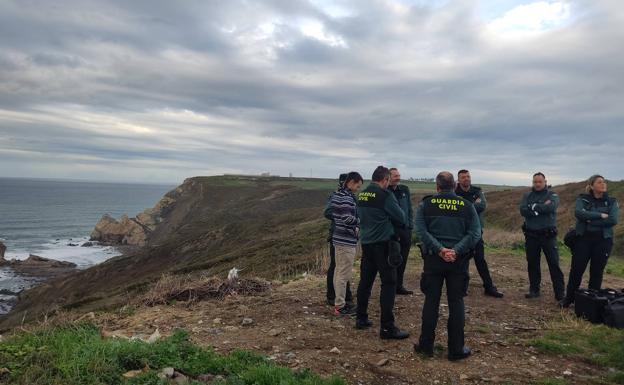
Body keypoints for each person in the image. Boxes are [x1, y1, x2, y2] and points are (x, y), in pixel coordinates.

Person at [414, 171, 481, 361]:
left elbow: (420, 230)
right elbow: (475, 234)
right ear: (454, 186)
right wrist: (456, 250)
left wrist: (439, 250)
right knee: (456, 303)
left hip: (433, 260)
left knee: (431, 302)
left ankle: (426, 346)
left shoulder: (426, 204)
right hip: (458, 262)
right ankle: (456, 350)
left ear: (437, 187)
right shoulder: (467, 206)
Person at [355, 165, 410, 339]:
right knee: (389, 283)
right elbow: (401, 217)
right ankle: (387, 327)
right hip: (384, 245)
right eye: (388, 180)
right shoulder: (385, 195)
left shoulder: (362, 194)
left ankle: (361, 318)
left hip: (367, 244)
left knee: (365, 282)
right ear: (385, 180)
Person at [560, 175, 619, 307]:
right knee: (576, 270)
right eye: (599, 182)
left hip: (603, 241)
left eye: (604, 182)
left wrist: (589, 220)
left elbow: (613, 220)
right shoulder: (583, 199)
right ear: (592, 186)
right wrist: (599, 216)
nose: (603, 184)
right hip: (583, 240)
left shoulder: (612, 201)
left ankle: (591, 304)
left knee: (596, 272)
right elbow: (579, 213)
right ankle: (568, 299)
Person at [454, 170, 503, 298]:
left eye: (468, 176)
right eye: (463, 177)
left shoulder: (477, 191)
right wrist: (471, 205)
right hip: (460, 233)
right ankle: (461, 288)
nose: (466, 179)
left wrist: (463, 205)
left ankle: (489, 287)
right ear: (458, 180)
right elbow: (454, 209)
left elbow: (482, 206)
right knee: (461, 261)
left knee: (480, 260)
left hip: (475, 232)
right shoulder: (454, 192)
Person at [519, 172, 565, 301]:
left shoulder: (552, 195)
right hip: (531, 235)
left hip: (547, 236)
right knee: (532, 263)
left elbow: (551, 207)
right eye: (535, 182)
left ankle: (560, 293)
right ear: (532, 182)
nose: (537, 184)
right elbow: (523, 210)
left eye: (540, 181)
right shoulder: (527, 195)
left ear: (545, 182)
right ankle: (534, 290)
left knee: (554, 263)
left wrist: (532, 207)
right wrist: (540, 208)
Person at [329, 172, 364, 315]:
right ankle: (340, 306)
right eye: (358, 185)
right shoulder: (347, 198)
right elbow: (346, 218)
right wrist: (361, 222)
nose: (358, 189)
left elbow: (336, 215)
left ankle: (339, 303)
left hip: (338, 238)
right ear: (351, 182)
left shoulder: (337, 194)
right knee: (343, 274)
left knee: (338, 272)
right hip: (346, 240)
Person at [324, 174, 354, 306]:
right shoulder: (337, 196)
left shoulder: (349, 196)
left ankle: (345, 295)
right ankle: (332, 296)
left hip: (343, 234)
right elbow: (328, 212)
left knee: (342, 267)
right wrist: (341, 217)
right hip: (338, 234)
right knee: (337, 266)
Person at [388, 168, 414, 295]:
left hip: (405, 230)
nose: (398, 178)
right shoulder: (384, 191)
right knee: (392, 259)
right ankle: (390, 285)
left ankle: (399, 285)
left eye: (398, 175)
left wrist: (410, 226)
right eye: (395, 176)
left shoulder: (404, 189)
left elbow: (409, 208)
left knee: (403, 258)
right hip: (391, 231)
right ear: (388, 177)